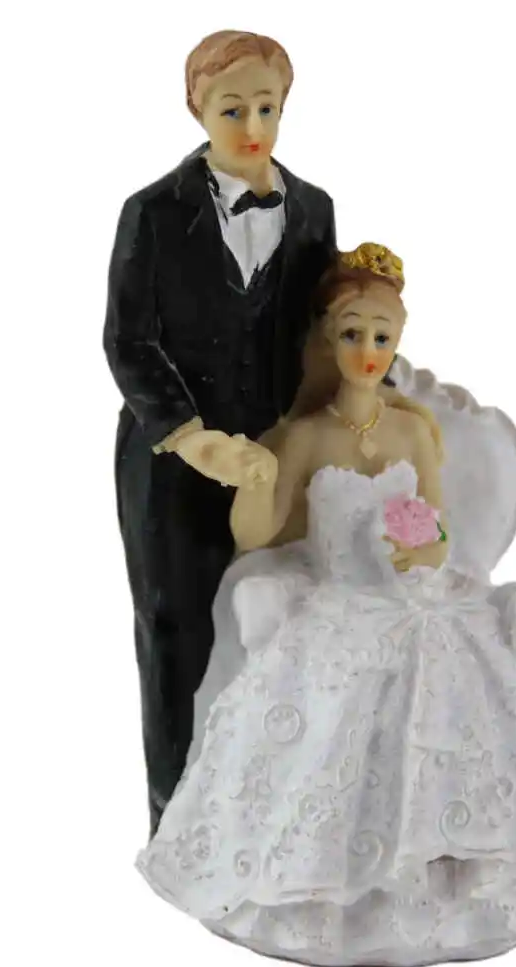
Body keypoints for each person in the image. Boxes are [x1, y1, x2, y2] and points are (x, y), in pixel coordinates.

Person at [136, 244, 516, 967]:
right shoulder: (307, 436)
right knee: (337, 694)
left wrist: (424, 550)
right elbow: (257, 535)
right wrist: (256, 478)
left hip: (418, 595)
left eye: (382, 336)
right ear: (328, 337)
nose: (368, 352)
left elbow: (439, 529)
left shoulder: (413, 430)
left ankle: (454, 863)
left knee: (459, 670)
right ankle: (324, 876)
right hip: (340, 596)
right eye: (352, 334)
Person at [103, 30, 337, 837]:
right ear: (197, 108)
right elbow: (128, 342)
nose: (253, 125)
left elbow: (320, 329)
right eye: (233, 108)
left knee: (281, 622)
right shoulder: (153, 213)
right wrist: (192, 437)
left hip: (279, 453)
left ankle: (270, 806)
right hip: (173, 461)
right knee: (175, 628)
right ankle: (176, 819)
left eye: (267, 107)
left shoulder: (313, 209)